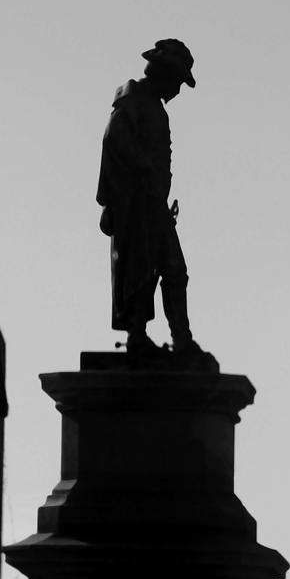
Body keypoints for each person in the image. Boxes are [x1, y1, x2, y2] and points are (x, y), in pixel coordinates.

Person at [96, 39, 216, 369]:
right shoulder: (133, 100)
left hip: (152, 204)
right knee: (143, 269)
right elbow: (115, 140)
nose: (178, 89)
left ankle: (180, 340)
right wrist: (143, 170)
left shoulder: (151, 105)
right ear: (165, 74)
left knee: (171, 269)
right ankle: (141, 336)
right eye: (178, 81)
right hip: (137, 204)